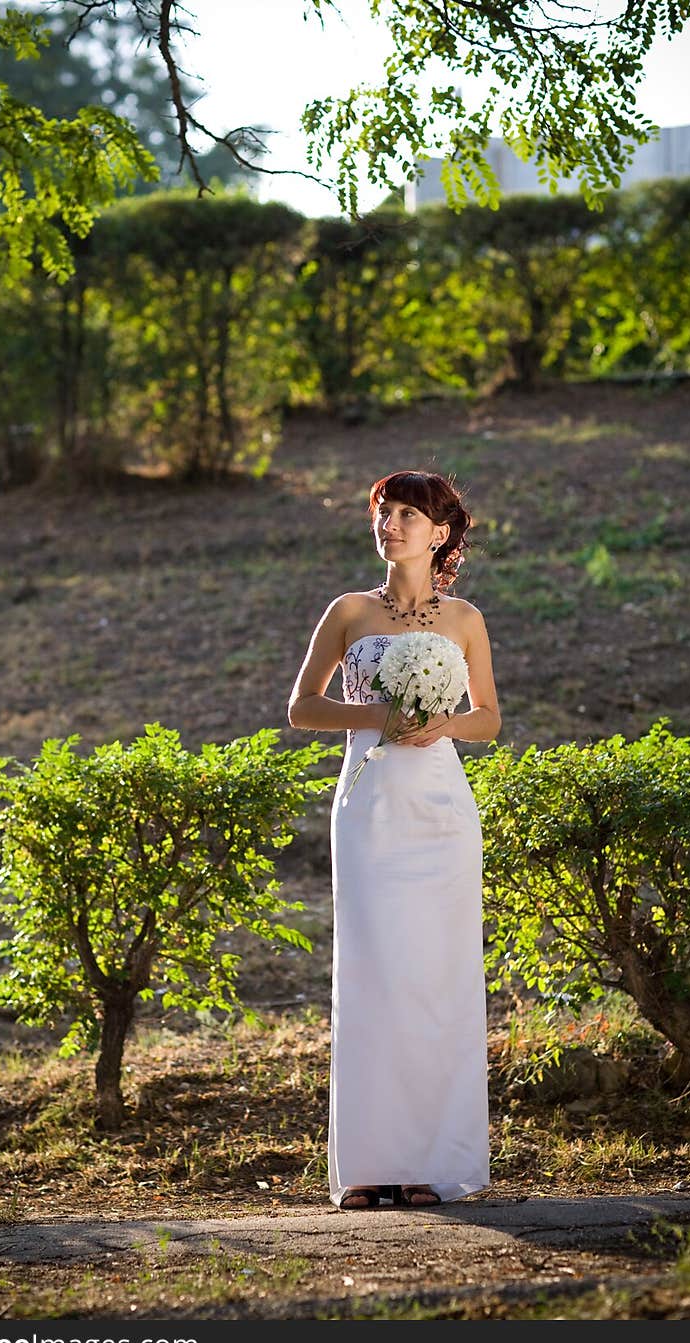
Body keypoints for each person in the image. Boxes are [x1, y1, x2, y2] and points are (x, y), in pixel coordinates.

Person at [287, 469, 501, 1210]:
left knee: (436, 978)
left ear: (440, 533)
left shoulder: (465, 620)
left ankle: (429, 1163)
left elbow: (489, 718)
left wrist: (442, 724)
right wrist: (378, 716)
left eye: (409, 514)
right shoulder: (348, 611)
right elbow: (302, 708)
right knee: (375, 972)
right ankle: (371, 1165)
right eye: (385, 512)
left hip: (441, 809)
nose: (393, 525)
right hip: (371, 802)